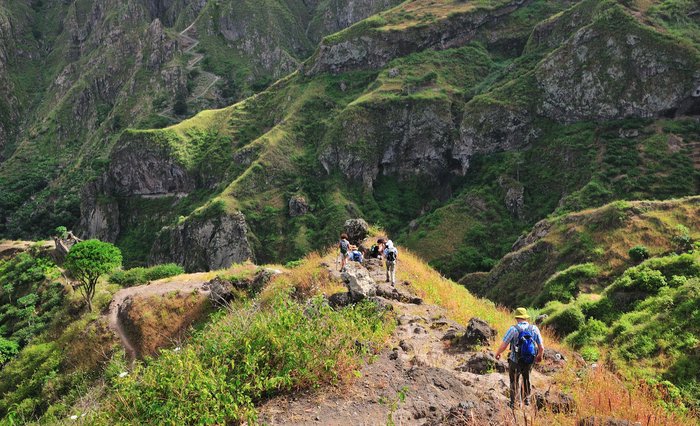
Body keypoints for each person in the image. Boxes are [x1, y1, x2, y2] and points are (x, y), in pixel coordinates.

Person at [495, 308, 544, 408]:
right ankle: (527, 401)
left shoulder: (513, 329)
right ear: (526, 317)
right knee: (527, 379)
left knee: (514, 381)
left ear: (517, 318)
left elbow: (504, 345)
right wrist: (539, 356)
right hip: (529, 360)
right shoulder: (534, 329)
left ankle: (514, 403)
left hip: (515, 360)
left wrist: (498, 353)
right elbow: (541, 347)